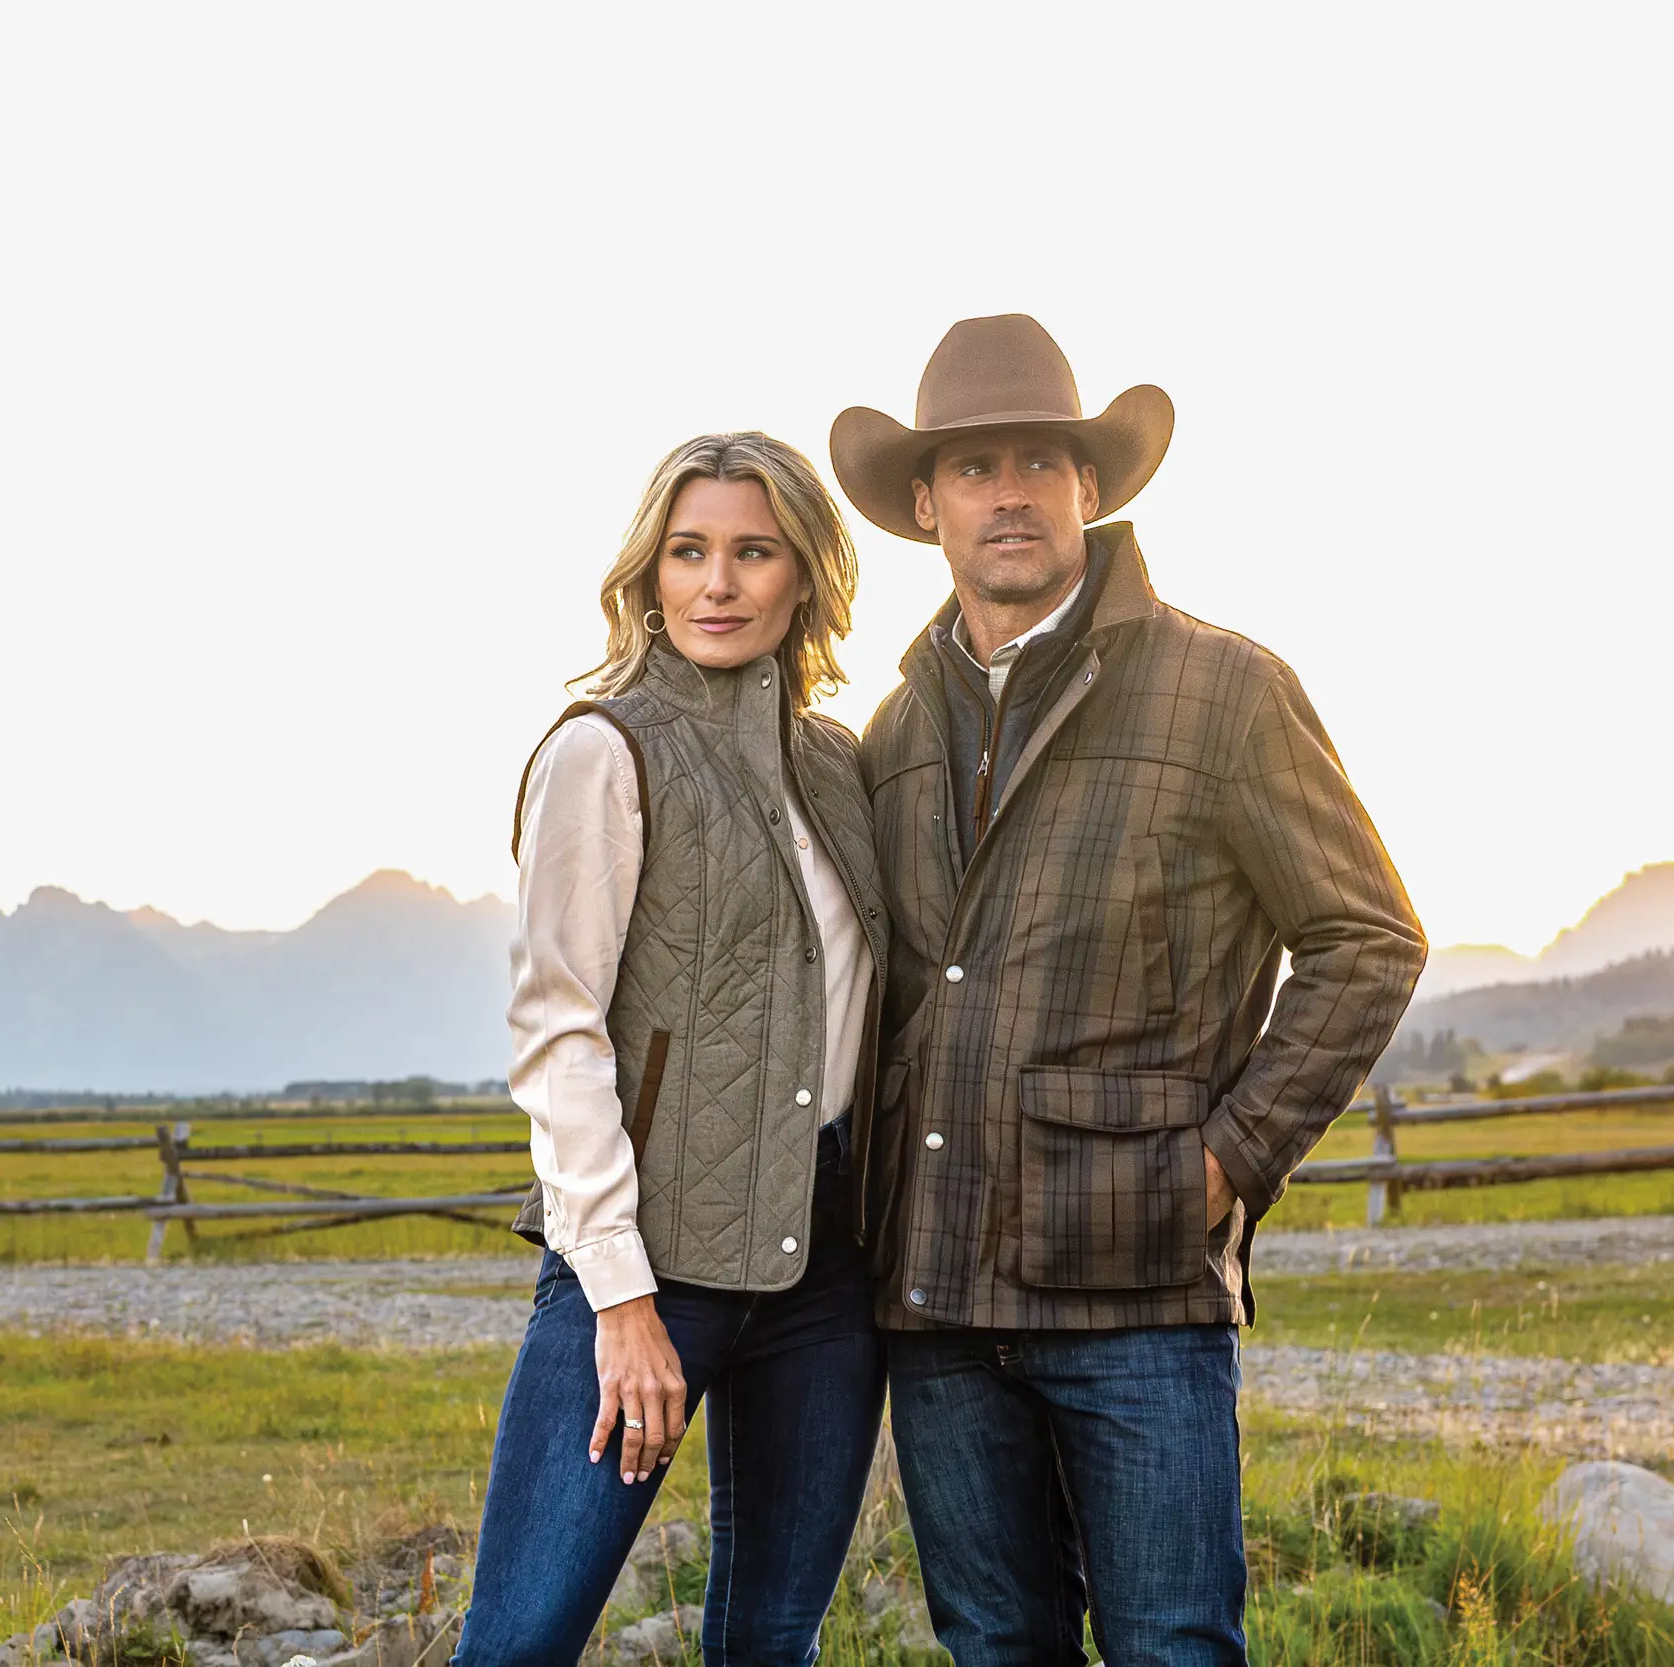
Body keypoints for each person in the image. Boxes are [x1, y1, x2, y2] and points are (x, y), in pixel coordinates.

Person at [828, 315, 1427, 1666]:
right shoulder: (895, 734)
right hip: (933, 1311)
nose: (1011, 491)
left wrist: (1224, 1161)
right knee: (996, 1643)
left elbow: (1367, 934)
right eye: (975, 467)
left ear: (1091, 487)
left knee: (1173, 1645)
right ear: (925, 505)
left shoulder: (1225, 691)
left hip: (1138, 1295)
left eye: (1041, 459)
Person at [456, 432, 888, 1666]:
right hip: (652, 1274)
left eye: (753, 552)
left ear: (803, 573)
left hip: (825, 1277)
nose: (717, 583)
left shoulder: (836, 765)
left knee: (770, 1644)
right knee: (519, 1642)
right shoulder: (605, 749)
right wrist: (621, 1295)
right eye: (688, 552)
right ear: (647, 574)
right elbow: (556, 1025)